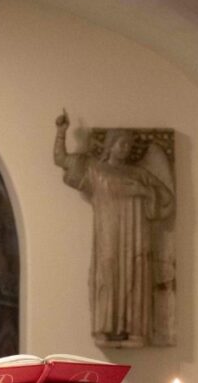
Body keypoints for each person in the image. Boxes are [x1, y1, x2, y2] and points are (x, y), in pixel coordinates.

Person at [53, 111, 175, 347]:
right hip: (109, 232)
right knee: (108, 271)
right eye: (121, 143)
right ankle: (107, 327)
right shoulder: (94, 169)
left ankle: (136, 330)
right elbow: (61, 159)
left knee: (135, 274)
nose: (125, 148)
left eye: (129, 144)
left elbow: (166, 199)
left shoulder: (139, 174)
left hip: (137, 235)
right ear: (110, 145)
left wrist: (145, 193)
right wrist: (61, 132)